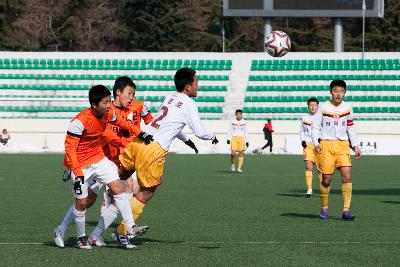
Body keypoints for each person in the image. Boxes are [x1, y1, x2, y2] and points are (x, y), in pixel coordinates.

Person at [88, 76, 199, 246]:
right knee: (88, 200)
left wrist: (185, 140)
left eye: (133, 93)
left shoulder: (140, 107)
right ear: (118, 92)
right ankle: (85, 230)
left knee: (125, 193)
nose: (131, 97)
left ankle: (108, 233)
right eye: (129, 93)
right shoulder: (107, 110)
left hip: (133, 153)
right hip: (108, 158)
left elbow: (155, 125)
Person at [115, 67, 218, 237]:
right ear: (188, 87)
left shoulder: (169, 97)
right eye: (196, 82)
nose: (198, 85)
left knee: (117, 176)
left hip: (140, 140)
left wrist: (187, 141)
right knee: (147, 191)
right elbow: (199, 131)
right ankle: (123, 231)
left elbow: (169, 124)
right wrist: (212, 136)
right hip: (154, 149)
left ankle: (92, 186)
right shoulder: (190, 104)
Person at [53, 85, 149, 250]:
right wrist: (75, 171)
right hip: (81, 165)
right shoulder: (79, 122)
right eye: (105, 102)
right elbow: (70, 149)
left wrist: (139, 133)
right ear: (94, 105)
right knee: (83, 202)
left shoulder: (108, 112)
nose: (108, 105)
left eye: (108, 101)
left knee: (118, 188)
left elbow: (121, 121)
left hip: (99, 159)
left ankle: (131, 227)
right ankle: (66, 232)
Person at [312, 80, 362, 220]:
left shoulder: (348, 108)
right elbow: (315, 127)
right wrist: (316, 143)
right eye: (335, 91)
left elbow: (350, 127)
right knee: (326, 180)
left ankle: (346, 210)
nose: (338, 94)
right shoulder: (323, 107)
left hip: (343, 145)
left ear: (345, 92)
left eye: (341, 91)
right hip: (326, 145)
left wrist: (356, 145)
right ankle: (324, 208)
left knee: (347, 175)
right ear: (330, 92)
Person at [300, 98, 322, 197]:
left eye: (314, 105)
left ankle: (323, 188)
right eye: (311, 105)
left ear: (318, 106)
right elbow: (301, 130)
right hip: (308, 144)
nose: (313, 107)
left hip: (319, 144)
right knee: (308, 165)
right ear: (308, 106)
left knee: (320, 168)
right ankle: (309, 189)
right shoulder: (304, 117)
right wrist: (302, 140)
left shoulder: (322, 118)